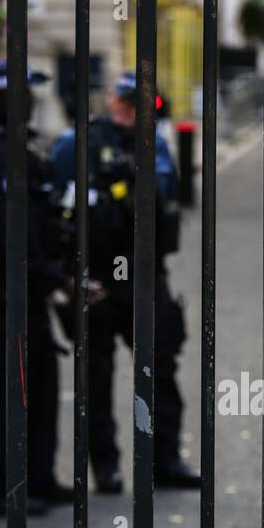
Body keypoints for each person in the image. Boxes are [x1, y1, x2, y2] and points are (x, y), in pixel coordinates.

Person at [51, 72, 200, 491]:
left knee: (160, 371)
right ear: (114, 98)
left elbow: (166, 190)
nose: (131, 109)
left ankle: (164, 460)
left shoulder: (158, 145)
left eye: (141, 104)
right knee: (95, 377)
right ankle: (106, 467)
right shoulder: (76, 143)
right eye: (127, 100)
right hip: (97, 273)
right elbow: (58, 208)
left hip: (145, 273)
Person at [0, 58, 76, 517]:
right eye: (25, 92)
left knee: (41, 384)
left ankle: (38, 479)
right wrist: (52, 276)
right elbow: (12, 230)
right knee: (17, 390)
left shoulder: (6, 144)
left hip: (27, 284)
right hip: (8, 288)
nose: (31, 101)